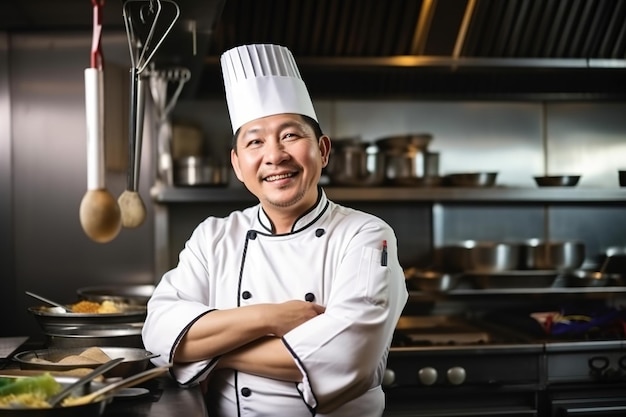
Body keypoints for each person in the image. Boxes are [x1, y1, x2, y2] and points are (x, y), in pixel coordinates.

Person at [142, 44, 408, 417]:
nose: (275, 156)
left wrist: (209, 353)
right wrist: (271, 317)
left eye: (290, 136)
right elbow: (158, 335)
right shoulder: (214, 237)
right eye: (254, 141)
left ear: (323, 150)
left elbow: (347, 359)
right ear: (237, 164)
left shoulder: (365, 235)